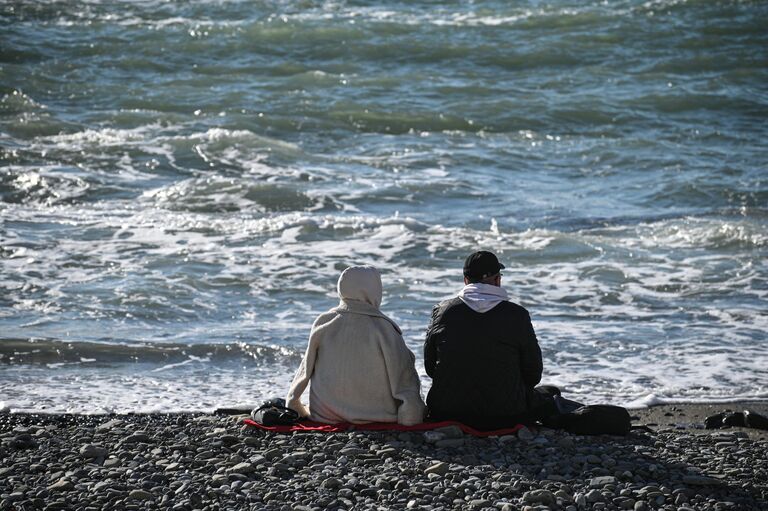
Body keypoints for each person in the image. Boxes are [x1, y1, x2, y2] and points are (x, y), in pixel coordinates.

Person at [424, 251, 555, 429]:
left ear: (465, 280)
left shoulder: (442, 311)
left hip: (447, 412)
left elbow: (430, 368)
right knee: (551, 393)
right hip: (506, 415)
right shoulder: (517, 315)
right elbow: (533, 373)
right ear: (497, 280)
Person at [286, 265, 425, 425]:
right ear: (375, 290)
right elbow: (404, 379)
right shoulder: (384, 328)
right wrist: (411, 416)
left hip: (325, 416)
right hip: (375, 416)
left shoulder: (324, 322)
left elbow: (304, 372)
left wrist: (294, 405)